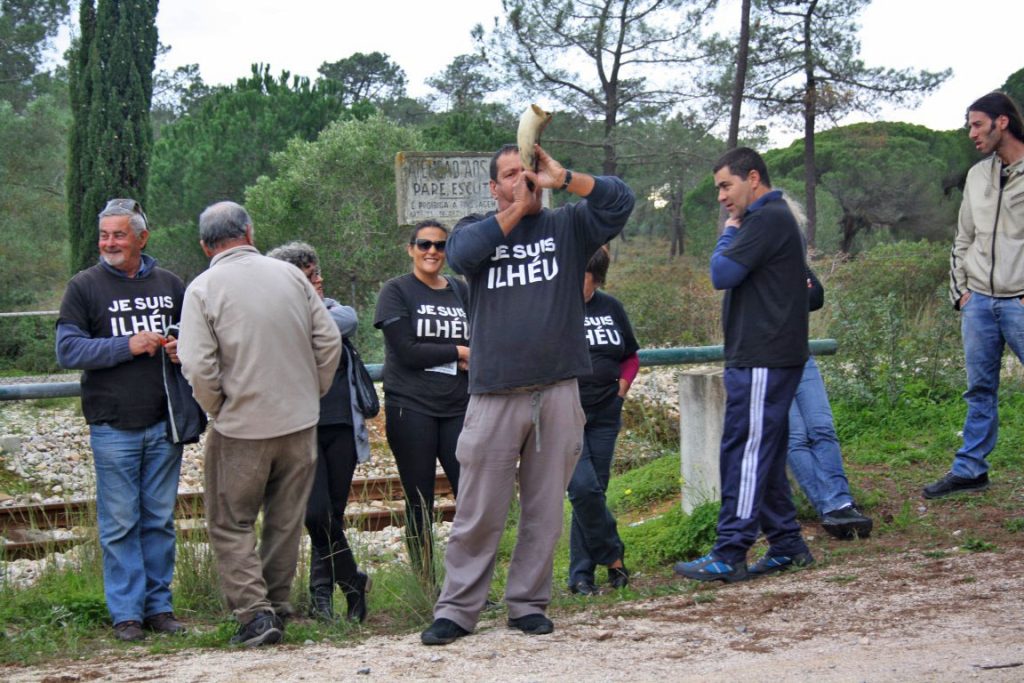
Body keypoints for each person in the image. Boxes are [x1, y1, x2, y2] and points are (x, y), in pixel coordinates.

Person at [420, 143, 635, 646]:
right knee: (479, 510)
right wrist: (518, 207)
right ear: (494, 188)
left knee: (544, 509)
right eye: (511, 175)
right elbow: (462, 255)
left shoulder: (568, 227)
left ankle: (528, 604)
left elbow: (619, 202)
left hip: (558, 390)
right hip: (494, 393)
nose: (524, 179)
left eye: (529, 171)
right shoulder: (476, 228)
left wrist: (566, 180)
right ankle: (458, 609)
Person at [178, 202, 341, 647]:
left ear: (204, 244)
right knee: (285, 520)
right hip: (299, 420)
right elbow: (328, 340)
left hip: (241, 427)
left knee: (231, 521)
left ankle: (254, 614)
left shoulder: (202, 288)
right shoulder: (289, 275)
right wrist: (312, 392)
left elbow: (196, 363)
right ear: (249, 231)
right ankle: (279, 605)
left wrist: (221, 407)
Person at [674, 147, 812, 583]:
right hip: (765, 355)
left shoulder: (765, 218)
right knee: (764, 453)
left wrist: (729, 233)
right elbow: (814, 290)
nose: (720, 197)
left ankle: (730, 550)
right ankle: (787, 543)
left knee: (744, 449)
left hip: (763, 357)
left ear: (753, 177)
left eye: (725, 185)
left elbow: (721, 273)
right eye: (718, 188)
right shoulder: (775, 220)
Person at [55, 198, 187, 642]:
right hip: (112, 424)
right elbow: (67, 350)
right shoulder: (84, 286)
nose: (109, 242)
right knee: (119, 524)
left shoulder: (170, 284)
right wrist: (124, 346)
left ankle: (159, 608)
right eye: (104, 235)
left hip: (163, 421)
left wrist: (179, 348)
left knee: (159, 520)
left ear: (141, 238)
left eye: (119, 234)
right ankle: (126, 614)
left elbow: (196, 336)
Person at [925, 91, 1024, 499]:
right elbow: (963, 237)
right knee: (979, 389)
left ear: (1002, 122)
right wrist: (962, 292)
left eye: (977, 124)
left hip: (1019, 300)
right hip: (979, 301)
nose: (971, 134)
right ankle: (970, 470)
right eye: (969, 125)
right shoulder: (976, 176)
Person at [266, 241, 371, 623]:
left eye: (318, 271)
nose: (321, 280)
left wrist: (299, 322)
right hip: (299, 427)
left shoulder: (335, 311)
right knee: (316, 515)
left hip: (341, 426)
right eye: (311, 276)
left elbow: (347, 321)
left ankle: (322, 598)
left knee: (332, 516)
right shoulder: (274, 316)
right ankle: (351, 582)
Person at [374, 220, 469, 587]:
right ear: (411, 248)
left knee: (471, 496)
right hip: (410, 406)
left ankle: (468, 582)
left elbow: (482, 338)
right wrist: (459, 351)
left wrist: (456, 354)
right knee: (419, 499)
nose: (432, 251)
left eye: (440, 246)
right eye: (425, 244)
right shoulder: (396, 291)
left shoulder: (461, 291)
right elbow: (407, 351)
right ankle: (427, 583)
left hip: (459, 407)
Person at [567, 246, 639, 596]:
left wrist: (622, 390)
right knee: (582, 489)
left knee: (595, 492)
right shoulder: (555, 309)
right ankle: (614, 556)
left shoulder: (611, 307)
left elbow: (630, 356)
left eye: (582, 276)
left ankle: (581, 576)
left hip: (606, 413)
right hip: (566, 413)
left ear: (597, 277)